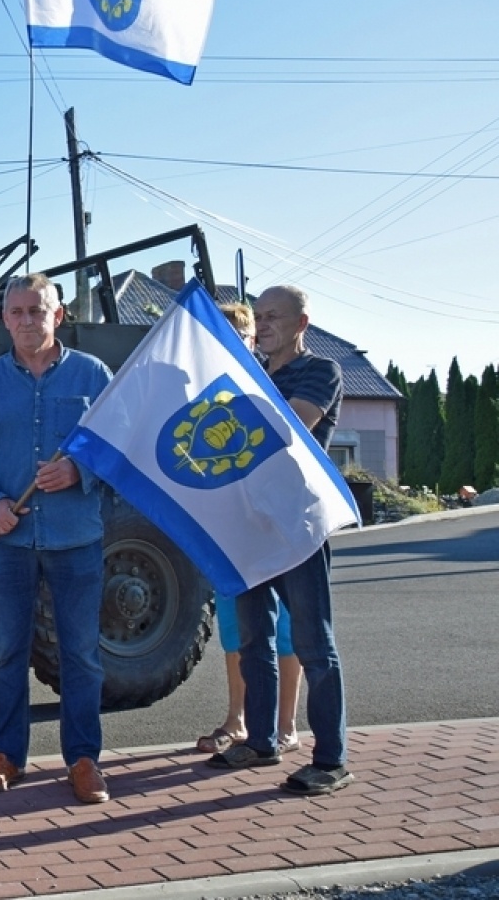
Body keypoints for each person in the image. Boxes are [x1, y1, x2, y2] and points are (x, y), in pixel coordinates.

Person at [0, 274, 115, 805]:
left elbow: (118, 447)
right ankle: (7, 756)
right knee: (7, 655)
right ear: (5, 319)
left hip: (77, 541)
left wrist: (79, 473)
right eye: (16, 312)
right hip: (11, 543)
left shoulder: (94, 376)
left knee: (81, 655)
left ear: (57, 315)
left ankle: (84, 759)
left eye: (36, 311)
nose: (26, 321)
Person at [210, 285, 353, 796]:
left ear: (301, 323)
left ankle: (332, 758)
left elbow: (287, 427)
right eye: (260, 316)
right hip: (252, 529)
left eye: (274, 316)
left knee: (314, 646)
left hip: (298, 528)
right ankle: (261, 740)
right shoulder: (248, 376)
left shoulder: (321, 371)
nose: (263, 324)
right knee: (253, 642)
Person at [197, 302, 303, 758]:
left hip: (282, 527)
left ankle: (286, 725)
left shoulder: (271, 385)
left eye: (240, 334)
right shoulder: (205, 396)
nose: (231, 342)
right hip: (232, 530)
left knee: (285, 632)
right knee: (236, 631)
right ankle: (237, 721)